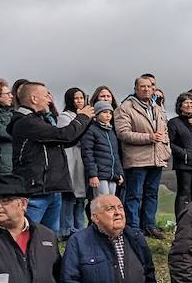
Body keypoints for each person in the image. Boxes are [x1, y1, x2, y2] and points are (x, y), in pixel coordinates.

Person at [10, 81, 93, 228]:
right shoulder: (27, 122)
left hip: (51, 187)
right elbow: (63, 135)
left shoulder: (39, 120)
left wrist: (85, 122)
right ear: (34, 99)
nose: (50, 99)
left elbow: (66, 141)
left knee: (48, 237)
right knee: (29, 234)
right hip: (37, 190)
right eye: (46, 95)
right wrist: (82, 118)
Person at [114, 74, 170, 239]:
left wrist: (166, 149)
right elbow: (123, 133)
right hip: (136, 159)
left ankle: (149, 226)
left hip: (156, 158)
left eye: (150, 86)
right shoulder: (125, 108)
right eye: (142, 86)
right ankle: (133, 227)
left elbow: (164, 131)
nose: (147, 89)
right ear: (136, 89)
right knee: (134, 195)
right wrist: (149, 137)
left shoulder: (157, 108)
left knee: (152, 194)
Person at [168, 92, 192, 220]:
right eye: (186, 102)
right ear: (180, 106)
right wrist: (184, 154)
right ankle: (181, 221)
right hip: (184, 163)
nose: (189, 105)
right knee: (184, 193)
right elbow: (170, 143)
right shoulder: (174, 123)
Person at [57, 88, 90, 239]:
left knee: (81, 198)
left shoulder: (87, 116)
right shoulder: (65, 116)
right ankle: (66, 229)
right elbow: (69, 136)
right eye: (76, 98)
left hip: (83, 158)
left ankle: (80, 229)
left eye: (81, 98)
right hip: (71, 158)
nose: (79, 101)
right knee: (70, 196)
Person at [81, 100, 125, 198]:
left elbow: (115, 155)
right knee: (102, 203)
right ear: (96, 114)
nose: (108, 115)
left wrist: (120, 173)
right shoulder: (91, 130)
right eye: (104, 112)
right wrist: (93, 175)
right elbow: (87, 153)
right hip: (99, 176)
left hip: (113, 176)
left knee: (111, 202)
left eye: (110, 113)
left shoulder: (112, 132)